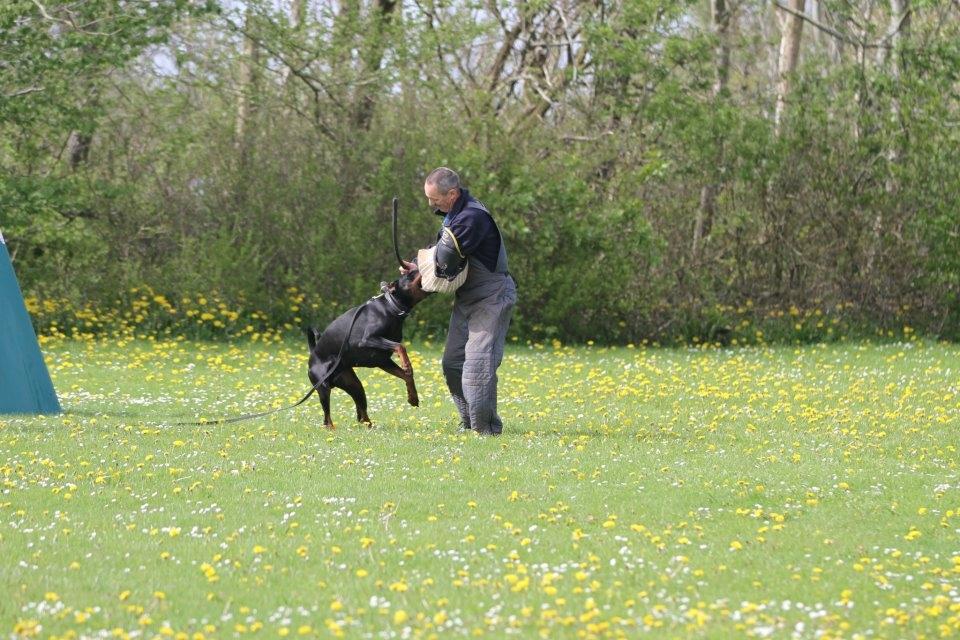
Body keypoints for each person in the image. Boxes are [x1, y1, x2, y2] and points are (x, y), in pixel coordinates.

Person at [402, 167, 517, 435]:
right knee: (453, 362)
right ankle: (469, 421)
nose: (431, 205)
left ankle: (485, 430)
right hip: (468, 296)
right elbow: (442, 259)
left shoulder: (471, 218)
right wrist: (416, 271)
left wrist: (423, 268)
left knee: (478, 363)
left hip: (492, 296)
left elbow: (444, 261)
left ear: (452, 194)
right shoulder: (454, 214)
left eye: (434, 199)